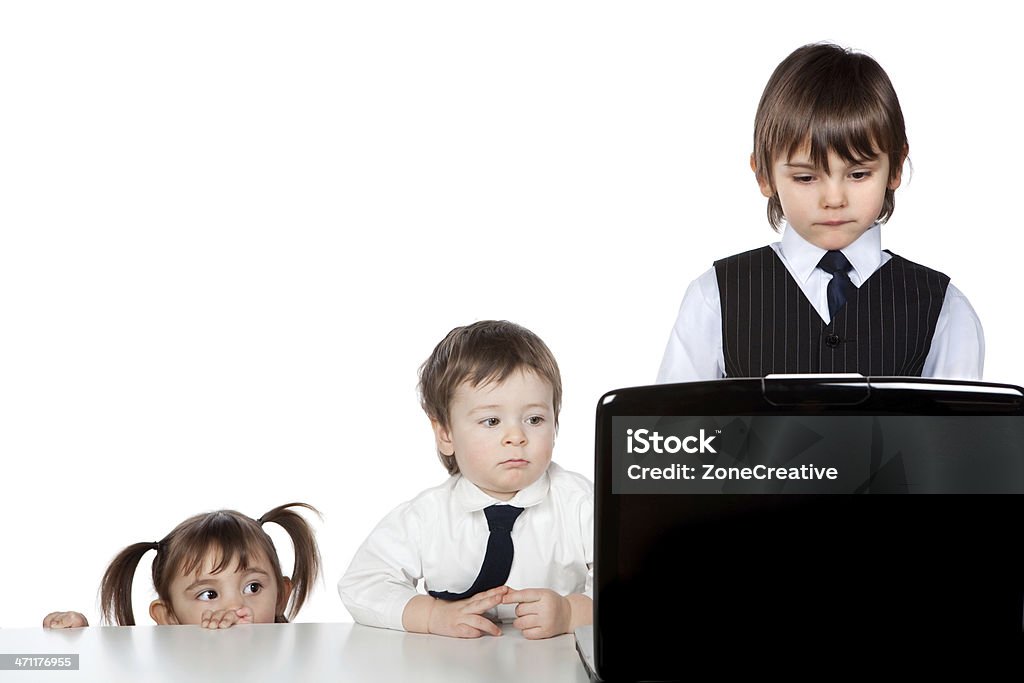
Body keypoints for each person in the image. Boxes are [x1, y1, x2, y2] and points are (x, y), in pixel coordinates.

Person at [657, 42, 984, 383]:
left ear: (896, 168)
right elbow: (674, 431)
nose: (834, 198)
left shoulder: (944, 307)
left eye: (858, 174)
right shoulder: (716, 298)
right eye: (806, 177)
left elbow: (958, 433)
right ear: (764, 175)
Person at [339, 320, 593, 640]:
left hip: (555, 659)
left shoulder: (580, 503)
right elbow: (362, 583)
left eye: (534, 419)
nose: (516, 436)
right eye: (491, 421)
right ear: (446, 434)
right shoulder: (428, 514)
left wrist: (573, 611)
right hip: (455, 664)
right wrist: (433, 615)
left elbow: (637, 581)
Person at [43, 502, 321, 629]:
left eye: (253, 587)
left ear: (281, 596)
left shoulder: (299, 658)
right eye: (209, 594)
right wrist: (78, 640)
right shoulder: (161, 667)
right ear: (168, 617)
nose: (236, 607)